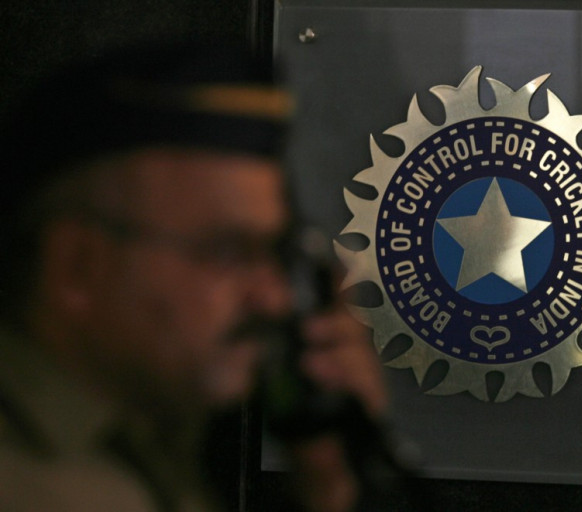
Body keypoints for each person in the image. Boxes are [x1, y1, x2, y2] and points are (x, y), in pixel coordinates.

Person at [0, 40, 387, 512]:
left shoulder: (142, 443)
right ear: (78, 265)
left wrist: (330, 484)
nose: (273, 298)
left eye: (273, 253)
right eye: (226, 252)